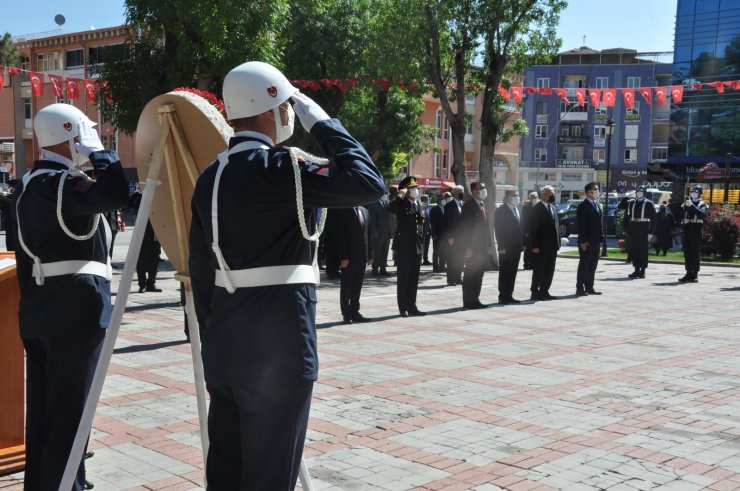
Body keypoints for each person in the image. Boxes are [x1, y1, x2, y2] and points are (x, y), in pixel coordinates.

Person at [188, 61, 384, 489]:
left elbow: (202, 275)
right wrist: (323, 120)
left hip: (225, 347)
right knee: (269, 477)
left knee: (227, 472)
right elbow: (368, 183)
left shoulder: (210, 178)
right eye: (289, 106)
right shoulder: (286, 169)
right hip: (281, 350)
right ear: (273, 107)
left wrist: (215, 339)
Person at [6, 103, 129, 491]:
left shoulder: (26, 185)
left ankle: (47, 485)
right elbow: (116, 194)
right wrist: (101, 153)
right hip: (75, 313)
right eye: (84, 134)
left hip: (41, 310)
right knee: (71, 416)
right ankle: (66, 485)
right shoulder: (61, 185)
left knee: (45, 412)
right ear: (71, 135)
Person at [390, 176, 426, 317]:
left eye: (416, 187)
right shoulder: (401, 204)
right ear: (406, 191)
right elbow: (390, 207)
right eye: (412, 188)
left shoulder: (420, 205)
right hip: (404, 247)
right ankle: (403, 307)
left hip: (417, 246)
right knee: (403, 278)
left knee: (414, 278)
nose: (415, 190)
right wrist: (400, 195)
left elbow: (422, 225)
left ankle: (412, 306)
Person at [336, 206, 372, 323]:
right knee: (346, 286)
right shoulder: (344, 210)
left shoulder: (365, 211)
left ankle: (355, 311)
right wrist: (343, 256)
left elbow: (368, 234)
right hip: (349, 257)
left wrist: (370, 255)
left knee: (357, 286)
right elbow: (340, 235)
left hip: (362, 256)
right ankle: (346, 314)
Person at [460, 182, 491, 309]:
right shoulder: (469, 206)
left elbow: (486, 228)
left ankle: (475, 298)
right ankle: (468, 301)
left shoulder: (483, 205)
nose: (484, 190)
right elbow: (465, 228)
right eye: (481, 188)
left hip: (482, 247)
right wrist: (467, 247)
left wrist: (489, 245)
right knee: (470, 274)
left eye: (484, 187)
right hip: (472, 247)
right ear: (474, 191)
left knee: (479, 274)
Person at [528, 185, 560, 300]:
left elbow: (555, 226)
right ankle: (535, 292)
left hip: (552, 246)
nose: (553, 195)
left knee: (549, 270)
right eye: (551, 193)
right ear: (544, 194)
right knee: (539, 270)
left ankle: (545, 291)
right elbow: (533, 229)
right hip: (541, 246)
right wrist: (535, 245)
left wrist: (558, 243)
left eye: (554, 193)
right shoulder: (536, 209)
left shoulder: (553, 207)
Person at [494, 189, 524, 304]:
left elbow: (521, 228)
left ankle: (509, 294)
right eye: (515, 195)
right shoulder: (501, 211)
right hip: (505, 247)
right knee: (505, 272)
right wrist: (501, 246)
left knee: (513, 271)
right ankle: (503, 295)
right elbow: (499, 230)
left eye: (518, 195)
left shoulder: (518, 209)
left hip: (516, 247)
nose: (517, 197)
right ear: (508, 197)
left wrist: (523, 243)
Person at [575, 182, 603, 296]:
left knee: (592, 265)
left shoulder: (597, 204)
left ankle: (589, 286)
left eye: (597, 189)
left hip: (596, 241)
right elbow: (581, 225)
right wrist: (583, 240)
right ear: (588, 192)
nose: (597, 191)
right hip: (586, 241)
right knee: (584, 265)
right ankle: (579, 288)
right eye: (594, 189)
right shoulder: (583, 206)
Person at [679, 185, 708, 283]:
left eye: (695, 192)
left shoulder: (702, 204)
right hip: (687, 229)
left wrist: (691, 205)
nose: (693, 194)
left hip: (696, 229)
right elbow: (680, 214)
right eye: (692, 192)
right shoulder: (687, 203)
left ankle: (694, 274)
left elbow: (702, 215)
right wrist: (683, 220)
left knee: (695, 253)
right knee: (687, 253)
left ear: (700, 193)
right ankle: (688, 273)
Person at [626, 185, 656, 279]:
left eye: (641, 192)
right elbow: (628, 217)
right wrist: (628, 229)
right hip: (634, 226)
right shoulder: (632, 203)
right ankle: (636, 270)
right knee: (635, 249)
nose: (639, 193)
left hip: (644, 227)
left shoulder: (649, 203)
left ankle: (642, 271)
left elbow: (654, 218)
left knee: (643, 249)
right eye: (637, 192)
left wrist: (651, 232)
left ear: (644, 193)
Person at [443, 185, 465, 286]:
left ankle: (458, 277)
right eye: (461, 191)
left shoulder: (464, 205)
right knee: (451, 259)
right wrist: (449, 237)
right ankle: (450, 279)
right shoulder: (449, 206)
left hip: (462, 237)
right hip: (453, 238)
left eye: (463, 191)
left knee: (460, 259)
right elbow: (447, 223)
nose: (462, 193)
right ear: (455, 193)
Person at [368, 196, 392, 277]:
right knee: (377, 253)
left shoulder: (386, 204)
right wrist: (374, 232)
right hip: (378, 233)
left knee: (385, 252)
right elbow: (372, 220)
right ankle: (375, 270)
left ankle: (383, 269)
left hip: (386, 233)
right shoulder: (373, 205)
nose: (384, 196)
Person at [430, 191, 450, 273]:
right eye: (442, 199)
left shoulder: (446, 208)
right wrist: (434, 233)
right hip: (438, 234)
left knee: (444, 251)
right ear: (439, 200)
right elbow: (433, 223)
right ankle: (435, 267)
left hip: (445, 234)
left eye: (444, 199)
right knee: (437, 251)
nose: (444, 200)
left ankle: (442, 266)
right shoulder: (435, 209)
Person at [521, 192, 538, 270]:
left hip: (536, 231)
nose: (535, 199)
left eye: (536, 197)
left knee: (535, 247)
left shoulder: (539, 206)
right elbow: (524, 220)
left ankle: (533, 263)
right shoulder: (526, 207)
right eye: (533, 197)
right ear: (530, 198)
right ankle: (526, 263)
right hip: (528, 231)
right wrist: (526, 231)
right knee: (527, 249)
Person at [420, 194, 432, 265]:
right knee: (422, 245)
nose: (428, 200)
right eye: (427, 199)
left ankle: (425, 259)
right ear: (424, 200)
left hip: (428, 229)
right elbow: (422, 219)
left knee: (427, 245)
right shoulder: (422, 207)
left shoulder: (428, 208)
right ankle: (420, 259)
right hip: (423, 230)